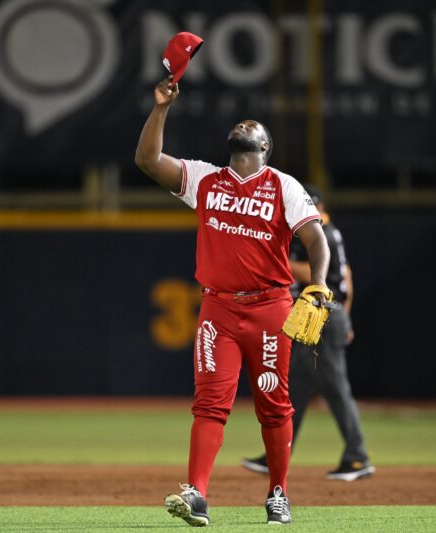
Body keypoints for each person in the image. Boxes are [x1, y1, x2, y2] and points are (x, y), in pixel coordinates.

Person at [135, 76, 330, 526]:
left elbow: (316, 241)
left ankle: (278, 492)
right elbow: (147, 160)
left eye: (253, 125)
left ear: (265, 146)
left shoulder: (282, 185)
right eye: (240, 124)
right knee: (209, 404)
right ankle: (197, 494)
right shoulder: (205, 178)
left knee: (274, 404)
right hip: (218, 309)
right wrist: (161, 107)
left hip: (269, 308)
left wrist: (317, 286)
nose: (244, 124)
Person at [241, 185, 375, 482]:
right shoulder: (326, 231)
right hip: (324, 314)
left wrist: (279, 263)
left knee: (335, 387)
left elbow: (323, 274)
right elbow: (347, 279)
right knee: (295, 390)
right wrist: (347, 319)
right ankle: (276, 455)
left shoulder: (321, 232)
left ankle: (357, 457)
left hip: (324, 315)